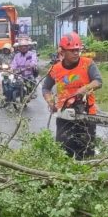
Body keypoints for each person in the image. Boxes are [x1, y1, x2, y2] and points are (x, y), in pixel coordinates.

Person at [42, 31, 102, 160]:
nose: (76, 53)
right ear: (62, 52)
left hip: (86, 114)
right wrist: (50, 101)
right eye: (72, 50)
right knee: (63, 154)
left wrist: (85, 89)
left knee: (85, 153)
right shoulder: (55, 69)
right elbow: (46, 88)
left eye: (77, 50)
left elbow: (98, 81)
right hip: (64, 116)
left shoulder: (87, 63)